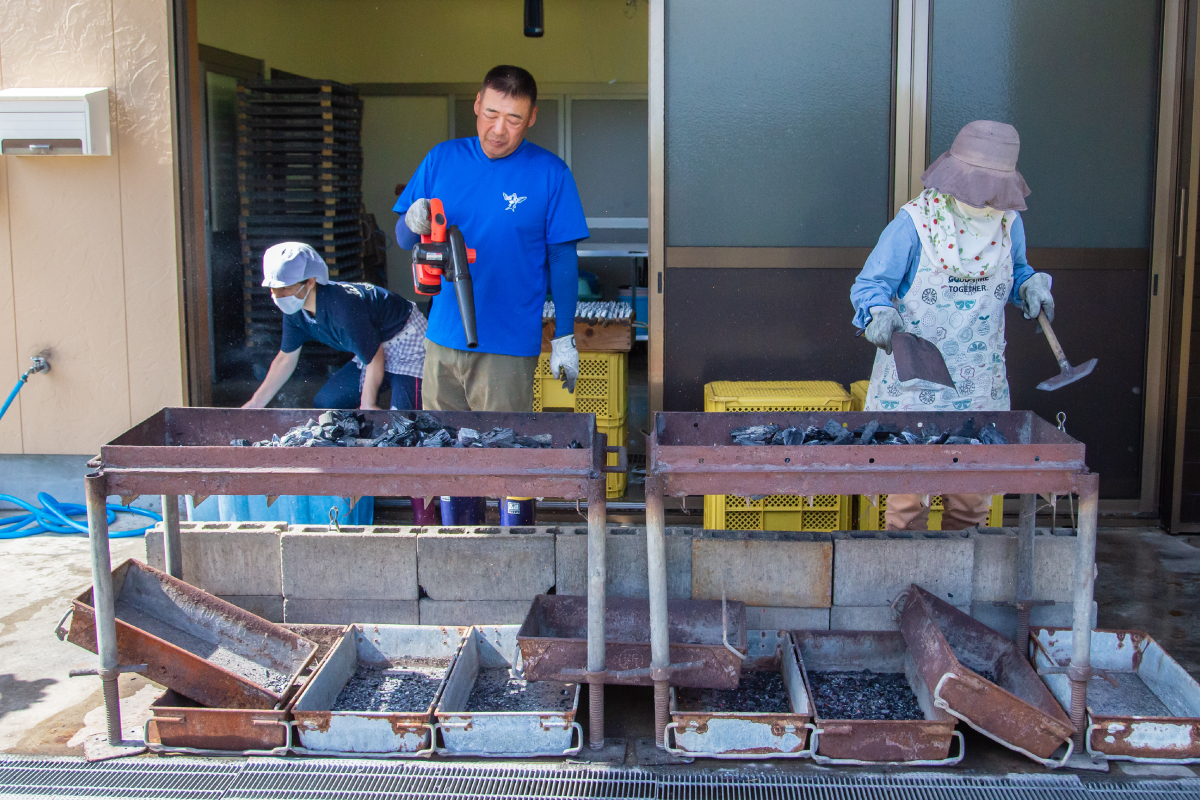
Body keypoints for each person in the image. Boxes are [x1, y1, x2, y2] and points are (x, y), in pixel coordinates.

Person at [849, 120, 1056, 531]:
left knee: (970, 503)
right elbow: (871, 284)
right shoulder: (915, 224)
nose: (986, 200)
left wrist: (1029, 285)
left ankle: (958, 584)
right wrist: (877, 312)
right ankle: (907, 584)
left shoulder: (1009, 223)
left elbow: (1015, 272)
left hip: (979, 382)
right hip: (915, 385)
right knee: (909, 503)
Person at [394, 65, 589, 412]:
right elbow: (403, 239)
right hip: (441, 339)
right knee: (439, 452)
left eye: (514, 119)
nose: (499, 130)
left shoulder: (550, 173)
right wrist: (412, 220)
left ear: (531, 118)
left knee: (500, 454)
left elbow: (562, 259)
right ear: (477, 104)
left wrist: (564, 337)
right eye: (491, 114)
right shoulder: (442, 158)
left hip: (507, 348)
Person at [243, 242, 427, 411]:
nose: (279, 295)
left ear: (310, 282)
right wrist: (255, 403)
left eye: (286, 288)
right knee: (327, 404)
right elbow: (285, 359)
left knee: (404, 419)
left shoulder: (343, 307)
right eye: (274, 289)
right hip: (371, 350)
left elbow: (375, 355)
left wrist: (368, 404)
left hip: (406, 343)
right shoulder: (295, 311)